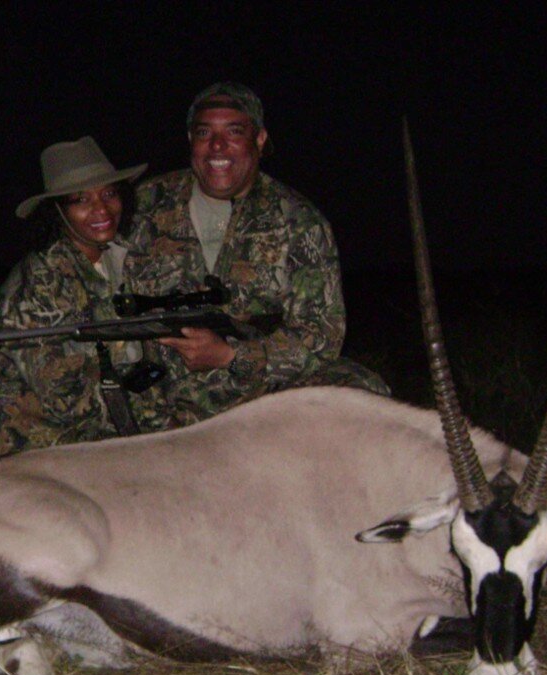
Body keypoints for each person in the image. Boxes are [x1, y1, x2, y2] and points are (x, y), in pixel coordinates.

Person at [126, 81, 389, 427]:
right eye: (205, 132)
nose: (217, 145)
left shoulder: (298, 220)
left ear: (259, 140)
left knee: (365, 393)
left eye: (234, 131)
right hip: (159, 397)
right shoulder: (142, 204)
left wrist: (231, 356)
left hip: (259, 397)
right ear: (191, 140)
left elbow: (321, 335)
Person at [0, 137, 160, 461]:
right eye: (81, 199)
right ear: (58, 210)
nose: (101, 209)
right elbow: (66, 400)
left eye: (109, 193)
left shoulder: (125, 260)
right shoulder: (39, 282)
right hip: (27, 455)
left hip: (93, 442)